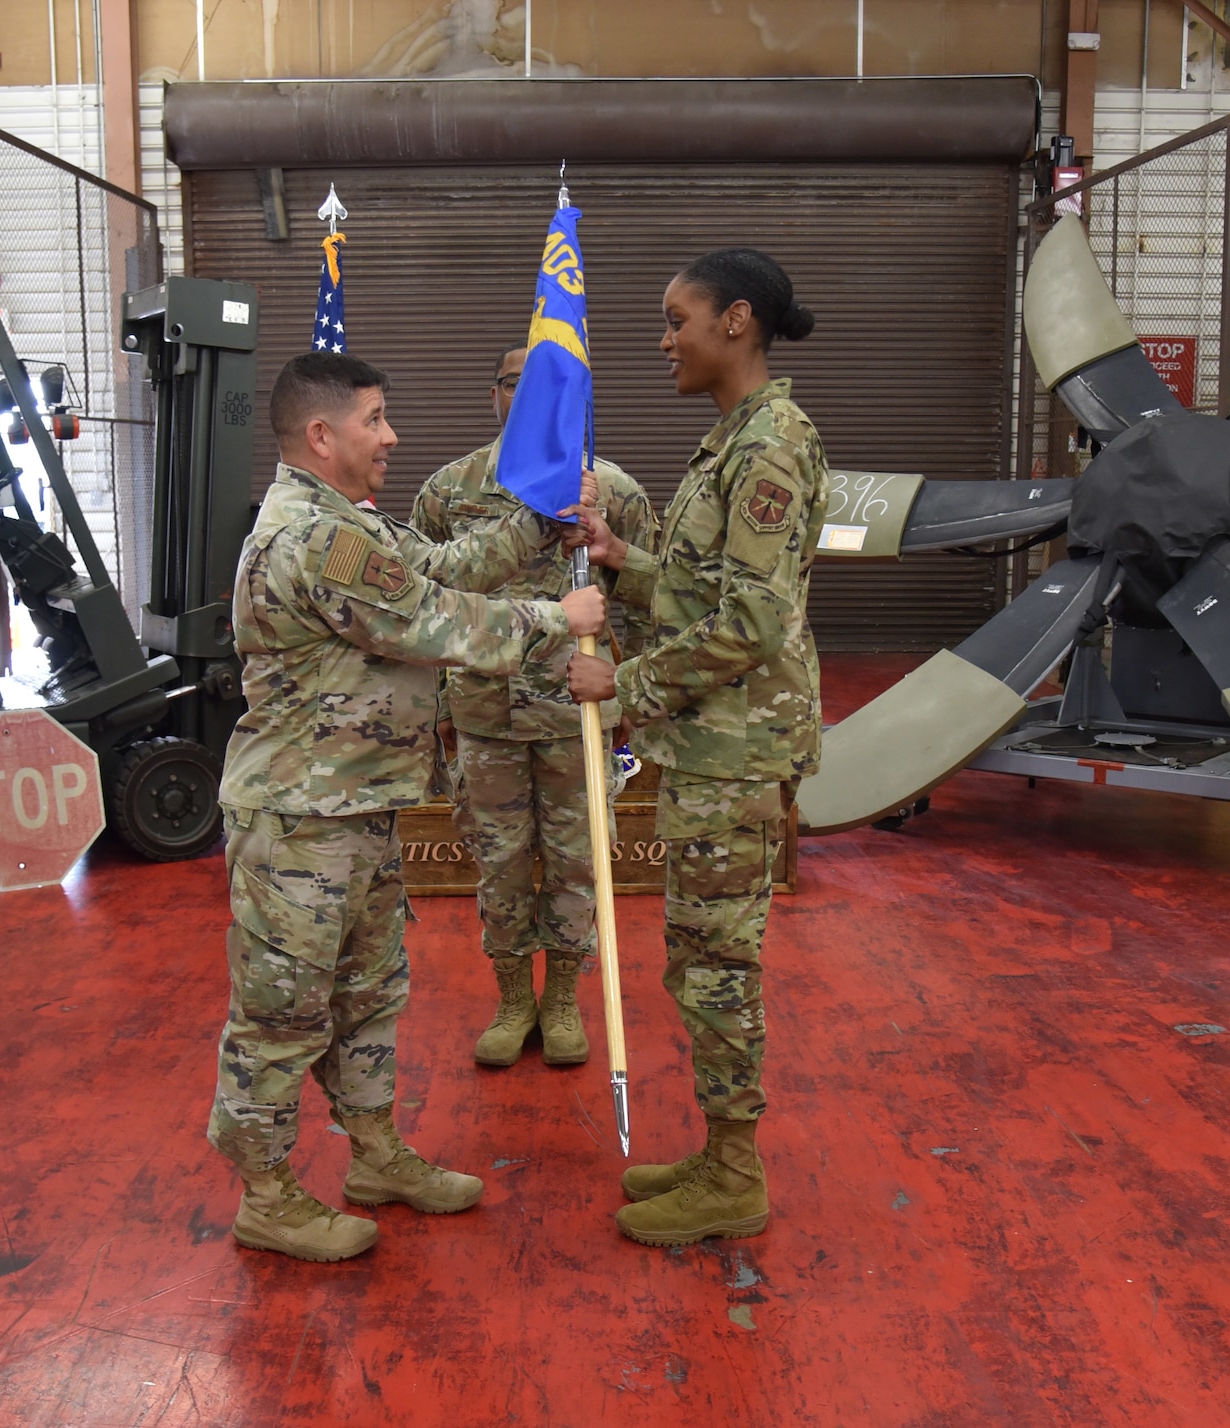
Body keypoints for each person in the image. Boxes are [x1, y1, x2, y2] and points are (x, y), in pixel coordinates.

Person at [211, 350, 608, 1263]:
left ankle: (375, 1156)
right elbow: (436, 618)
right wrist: (560, 616)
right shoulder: (314, 538)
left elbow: (438, 562)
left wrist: (540, 525)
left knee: (367, 996)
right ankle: (267, 1194)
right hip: (301, 826)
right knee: (282, 1014)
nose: (391, 437)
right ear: (322, 435)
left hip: (357, 809)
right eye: (376, 419)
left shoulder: (345, 522)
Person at [568, 249, 827, 1247]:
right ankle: (721, 1151)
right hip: (713, 751)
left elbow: (750, 623)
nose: (662, 339)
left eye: (674, 319)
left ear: (735, 321)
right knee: (701, 957)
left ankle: (734, 1173)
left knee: (717, 965)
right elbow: (702, 592)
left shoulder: (768, 444)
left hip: (734, 753)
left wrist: (621, 686)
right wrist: (622, 561)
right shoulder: (733, 437)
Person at [410, 343, 656, 1069]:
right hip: (485, 716)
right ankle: (515, 997)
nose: (526, 398)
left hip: (575, 717)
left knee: (580, 865)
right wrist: (435, 714)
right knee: (501, 866)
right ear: (493, 395)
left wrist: (637, 692)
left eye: (544, 387)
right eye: (513, 384)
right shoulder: (448, 492)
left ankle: (563, 1000)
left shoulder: (612, 492)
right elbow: (421, 609)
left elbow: (648, 607)